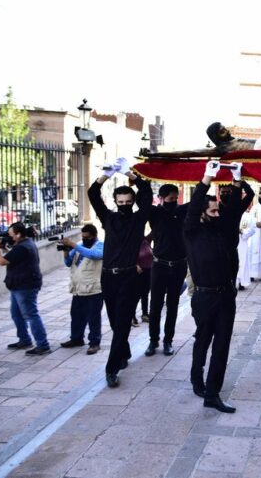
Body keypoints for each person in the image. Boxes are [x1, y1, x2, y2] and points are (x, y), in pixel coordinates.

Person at [185, 161, 246, 413]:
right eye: (212, 212)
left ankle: (213, 393)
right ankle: (196, 376)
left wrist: (237, 181)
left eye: (217, 211)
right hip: (204, 297)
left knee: (222, 344)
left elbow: (232, 210)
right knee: (203, 339)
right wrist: (207, 177)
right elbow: (194, 206)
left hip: (225, 296)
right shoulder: (191, 231)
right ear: (201, 213)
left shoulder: (221, 229)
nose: (217, 215)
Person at [88, 157, 152, 388]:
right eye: (120, 200)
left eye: (128, 201)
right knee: (115, 322)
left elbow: (147, 193)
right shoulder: (108, 218)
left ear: (132, 202)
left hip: (128, 277)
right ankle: (123, 353)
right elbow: (93, 193)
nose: (124, 204)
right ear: (115, 201)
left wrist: (130, 174)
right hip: (108, 277)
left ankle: (112, 369)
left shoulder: (138, 219)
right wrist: (107, 174)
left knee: (122, 323)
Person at [145, 184, 190, 357]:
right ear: (161, 198)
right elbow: (143, 199)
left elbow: (200, 198)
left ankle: (168, 341)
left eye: (176, 198)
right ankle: (153, 340)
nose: (174, 202)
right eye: (170, 199)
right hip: (159, 265)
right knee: (155, 305)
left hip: (178, 265)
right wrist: (139, 179)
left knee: (173, 305)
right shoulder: (154, 213)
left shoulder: (182, 211)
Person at [0, 222, 50, 355]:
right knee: (16, 314)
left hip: (25, 286)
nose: (9, 237)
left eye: (11, 235)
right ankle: (24, 339)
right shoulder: (25, 243)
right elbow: (14, 257)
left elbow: (2, 262)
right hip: (19, 284)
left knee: (31, 314)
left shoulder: (22, 247)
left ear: (18, 234)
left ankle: (43, 344)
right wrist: (4, 249)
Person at [59, 224, 104, 355]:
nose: (84, 239)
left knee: (93, 317)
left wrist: (74, 245)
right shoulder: (79, 245)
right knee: (76, 315)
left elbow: (93, 255)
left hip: (93, 289)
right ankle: (76, 338)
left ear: (94, 235)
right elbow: (68, 263)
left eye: (87, 237)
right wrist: (66, 251)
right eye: (83, 236)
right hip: (78, 288)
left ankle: (95, 343)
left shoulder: (101, 245)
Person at [135, 236, 153, 326]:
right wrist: (136, 265)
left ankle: (145, 314)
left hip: (148, 271)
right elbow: (128, 256)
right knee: (136, 294)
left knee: (145, 294)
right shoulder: (132, 242)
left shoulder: (146, 241)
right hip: (139, 271)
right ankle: (131, 316)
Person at [236, 207, 255, 290]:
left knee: (242, 262)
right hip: (230, 242)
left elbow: (253, 229)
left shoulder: (248, 216)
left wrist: (242, 232)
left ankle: (241, 282)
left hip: (242, 243)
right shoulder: (231, 214)